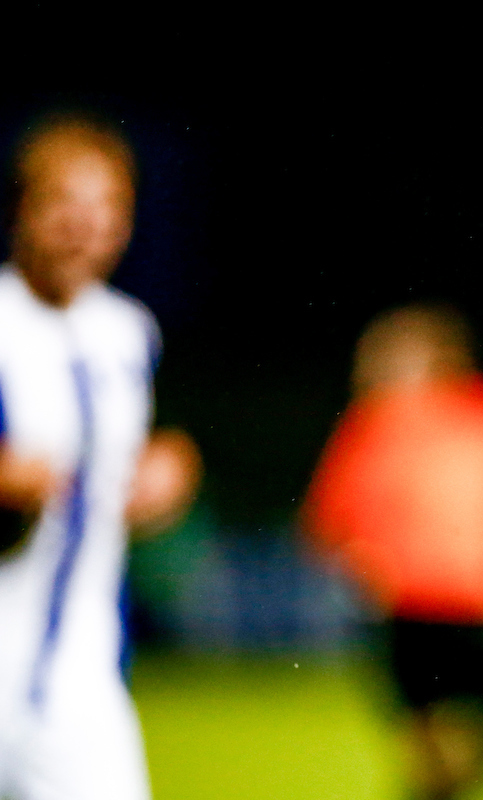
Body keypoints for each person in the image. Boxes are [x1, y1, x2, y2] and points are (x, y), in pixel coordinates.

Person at [301, 302, 483, 800]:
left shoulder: (386, 425)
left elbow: (330, 522)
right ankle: (449, 775)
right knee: (470, 731)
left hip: (435, 603)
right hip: (464, 601)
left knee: (442, 730)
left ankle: (445, 778)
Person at [0, 111, 202, 799]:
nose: (84, 224)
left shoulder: (128, 333)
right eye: (65, 202)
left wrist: (171, 471)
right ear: (23, 208)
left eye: (107, 206)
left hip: (79, 677)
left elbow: (158, 449)